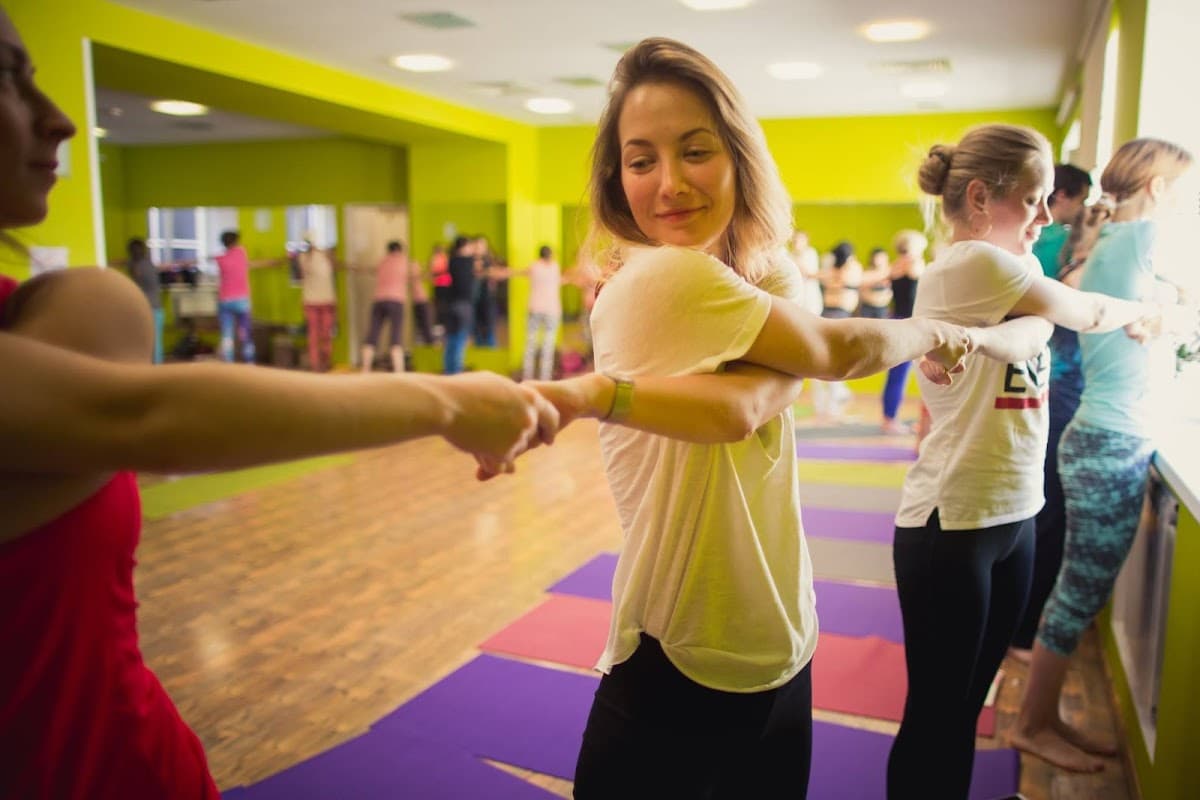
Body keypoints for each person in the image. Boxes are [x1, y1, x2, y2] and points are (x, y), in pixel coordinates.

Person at [0, 12, 559, 797]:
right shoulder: (76, 317)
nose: (58, 117)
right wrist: (448, 400)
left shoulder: (40, 321)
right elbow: (140, 418)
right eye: (8, 76)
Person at [488, 38, 1048, 799]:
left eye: (695, 151)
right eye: (641, 160)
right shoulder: (661, 276)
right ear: (617, 178)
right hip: (683, 641)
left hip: (781, 627)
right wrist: (940, 332)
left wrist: (791, 364)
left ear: (738, 158)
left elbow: (759, 391)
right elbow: (818, 358)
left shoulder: (757, 271)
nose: (669, 183)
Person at [887, 123, 1172, 800]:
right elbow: (1084, 311)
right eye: (1033, 199)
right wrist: (1153, 308)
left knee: (967, 709)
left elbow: (1038, 330)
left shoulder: (1015, 274)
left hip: (1013, 510)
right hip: (953, 519)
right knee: (937, 714)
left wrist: (1011, 331)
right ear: (980, 198)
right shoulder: (973, 264)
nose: (1046, 217)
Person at [1012, 138, 1198, 773]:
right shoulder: (1141, 240)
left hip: (1106, 437)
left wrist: (1169, 311)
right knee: (1078, 593)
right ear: (1158, 188)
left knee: (1077, 592)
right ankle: (1032, 724)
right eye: (1184, 189)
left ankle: (1044, 717)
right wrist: (1173, 311)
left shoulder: (1111, 243)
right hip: (1109, 442)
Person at [1010, 163, 1094, 660]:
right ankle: (1021, 629)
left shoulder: (1056, 259)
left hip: (1054, 388)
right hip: (1058, 393)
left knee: (1043, 509)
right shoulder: (1062, 261)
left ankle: (1021, 625)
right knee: (1047, 512)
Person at [880, 229, 928, 433]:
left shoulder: (896, 265)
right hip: (911, 324)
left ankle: (889, 418)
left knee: (897, 373)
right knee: (917, 373)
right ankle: (894, 419)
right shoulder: (914, 264)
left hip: (899, 321)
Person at [214, 230, 278, 364]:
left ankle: (228, 363)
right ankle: (249, 362)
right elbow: (248, 264)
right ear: (235, 242)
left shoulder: (220, 259)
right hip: (242, 301)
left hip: (225, 300)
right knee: (245, 333)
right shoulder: (241, 253)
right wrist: (272, 262)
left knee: (227, 334)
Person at [360, 240, 409, 373]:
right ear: (400, 250)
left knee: (373, 334)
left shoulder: (382, 261)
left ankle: (365, 369)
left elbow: (370, 270)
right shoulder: (403, 261)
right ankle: (399, 371)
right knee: (396, 335)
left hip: (379, 300)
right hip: (396, 301)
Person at [519, 245, 562, 381]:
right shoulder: (555, 267)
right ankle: (545, 378)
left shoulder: (534, 266)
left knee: (530, 344)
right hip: (552, 310)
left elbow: (520, 272)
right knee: (548, 346)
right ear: (551, 255)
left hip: (535, 309)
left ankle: (527, 377)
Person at [123, 238, 164, 363]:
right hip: (151, 307)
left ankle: (155, 368)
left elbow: (136, 275)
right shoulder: (145, 263)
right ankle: (154, 367)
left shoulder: (140, 266)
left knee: (151, 342)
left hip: (150, 308)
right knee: (152, 341)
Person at [443, 235, 476, 374]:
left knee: (451, 338)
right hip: (464, 304)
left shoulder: (451, 261)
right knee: (461, 339)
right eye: (470, 246)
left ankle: (449, 371)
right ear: (463, 247)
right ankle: (457, 372)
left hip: (451, 304)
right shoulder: (468, 262)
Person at [858, 246, 893, 319]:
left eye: (882, 258)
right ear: (872, 258)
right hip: (867, 306)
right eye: (877, 257)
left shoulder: (889, 271)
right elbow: (861, 284)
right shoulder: (867, 272)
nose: (879, 260)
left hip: (882, 307)